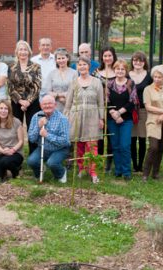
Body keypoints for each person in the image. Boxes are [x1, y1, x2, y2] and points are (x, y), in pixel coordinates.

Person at [64, 56, 104, 184]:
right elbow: (68, 102)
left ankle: (93, 172)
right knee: (79, 144)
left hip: (92, 116)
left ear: (89, 66)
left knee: (92, 145)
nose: (82, 67)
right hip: (76, 116)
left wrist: (101, 118)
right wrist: (67, 117)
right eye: (79, 65)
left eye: (84, 65)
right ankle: (82, 168)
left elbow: (101, 102)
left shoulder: (97, 82)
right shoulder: (74, 82)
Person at [8, 40, 42, 153]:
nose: (23, 52)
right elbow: (10, 87)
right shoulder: (11, 67)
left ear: (29, 52)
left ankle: (33, 156)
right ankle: (16, 154)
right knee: (15, 128)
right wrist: (21, 101)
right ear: (17, 52)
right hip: (16, 102)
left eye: (25, 49)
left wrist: (28, 101)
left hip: (32, 103)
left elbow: (37, 86)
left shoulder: (36, 67)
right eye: (20, 49)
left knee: (32, 129)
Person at [27, 95, 71, 183]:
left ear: (55, 105)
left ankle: (61, 173)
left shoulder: (62, 119)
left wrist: (47, 135)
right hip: (43, 148)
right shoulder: (36, 116)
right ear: (41, 105)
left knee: (52, 163)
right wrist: (38, 127)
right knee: (31, 161)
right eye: (45, 104)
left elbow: (64, 141)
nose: (47, 106)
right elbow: (31, 138)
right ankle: (40, 173)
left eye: (50, 103)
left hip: (60, 149)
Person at [142, 65, 163, 180]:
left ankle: (155, 173)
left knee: (161, 147)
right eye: (155, 77)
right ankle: (145, 173)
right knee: (153, 147)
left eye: (159, 77)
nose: (156, 79)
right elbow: (148, 107)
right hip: (153, 121)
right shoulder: (148, 89)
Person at [106, 59, 137, 180]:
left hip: (126, 120)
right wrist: (114, 114)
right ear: (114, 70)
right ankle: (118, 170)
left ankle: (126, 171)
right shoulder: (109, 84)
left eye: (122, 69)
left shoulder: (130, 84)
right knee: (115, 145)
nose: (120, 71)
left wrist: (119, 113)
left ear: (126, 71)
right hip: (112, 119)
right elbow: (106, 102)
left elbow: (132, 102)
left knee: (125, 145)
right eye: (117, 69)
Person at [0, 99, 25, 181]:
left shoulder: (16, 122)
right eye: (1, 108)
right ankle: (3, 170)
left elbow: (21, 141)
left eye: (6, 109)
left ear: (9, 110)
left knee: (5, 162)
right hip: (0, 151)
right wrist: (3, 151)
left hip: (15, 152)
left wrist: (12, 150)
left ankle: (16, 171)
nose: (3, 111)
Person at [94, 46, 116, 173]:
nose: (107, 58)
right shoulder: (96, 72)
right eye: (105, 56)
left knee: (111, 136)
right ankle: (99, 161)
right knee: (100, 136)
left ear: (114, 56)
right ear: (102, 57)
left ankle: (109, 163)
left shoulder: (119, 70)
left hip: (114, 109)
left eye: (110, 55)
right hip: (100, 108)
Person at [129, 51, 152, 173]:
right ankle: (134, 165)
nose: (137, 62)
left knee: (142, 138)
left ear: (144, 62)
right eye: (135, 60)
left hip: (143, 110)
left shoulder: (149, 76)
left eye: (140, 60)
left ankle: (141, 165)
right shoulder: (127, 75)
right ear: (132, 61)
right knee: (132, 139)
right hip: (130, 111)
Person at [41, 47, 77, 112]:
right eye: (59, 58)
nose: (61, 60)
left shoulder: (74, 73)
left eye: (63, 58)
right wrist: (60, 95)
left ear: (67, 58)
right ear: (56, 60)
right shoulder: (51, 74)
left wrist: (56, 94)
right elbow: (47, 91)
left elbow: (75, 91)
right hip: (54, 107)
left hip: (70, 107)